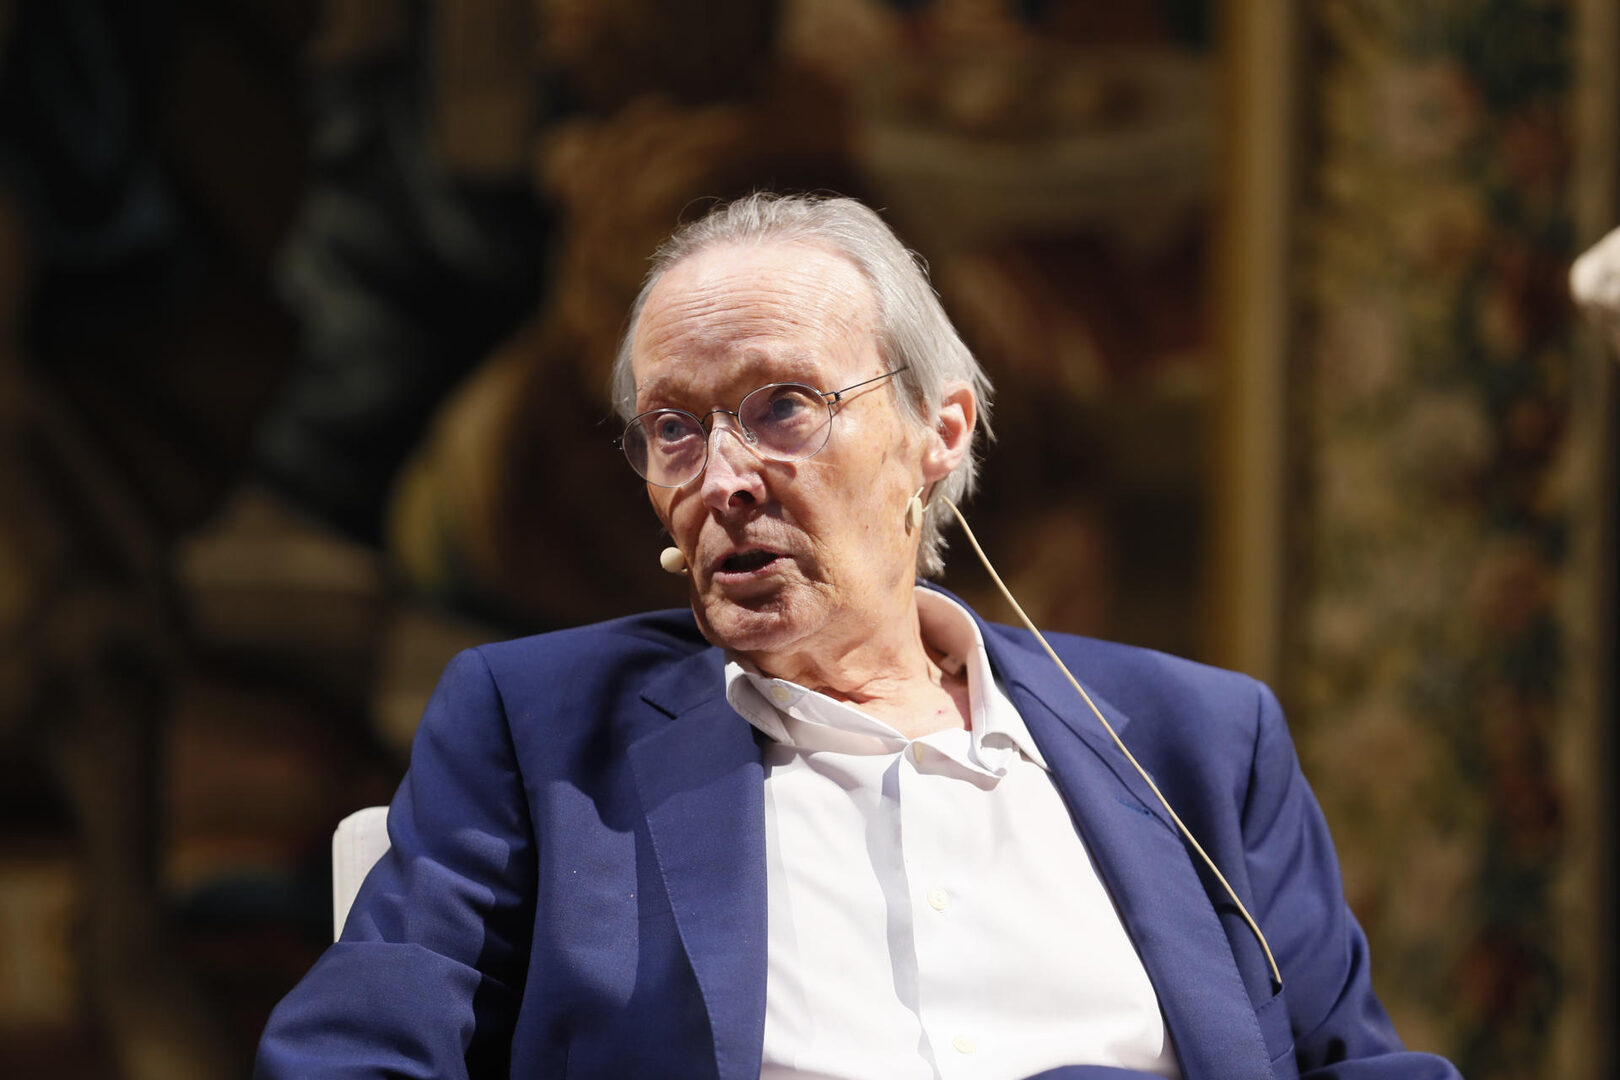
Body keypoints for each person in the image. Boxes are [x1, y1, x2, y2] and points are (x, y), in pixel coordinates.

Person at [255, 193, 1460, 1079]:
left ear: (940, 433)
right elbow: (352, 1056)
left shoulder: (1199, 741)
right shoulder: (541, 730)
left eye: (782, 406)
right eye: (674, 429)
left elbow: (1350, 1062)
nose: (723, 476)